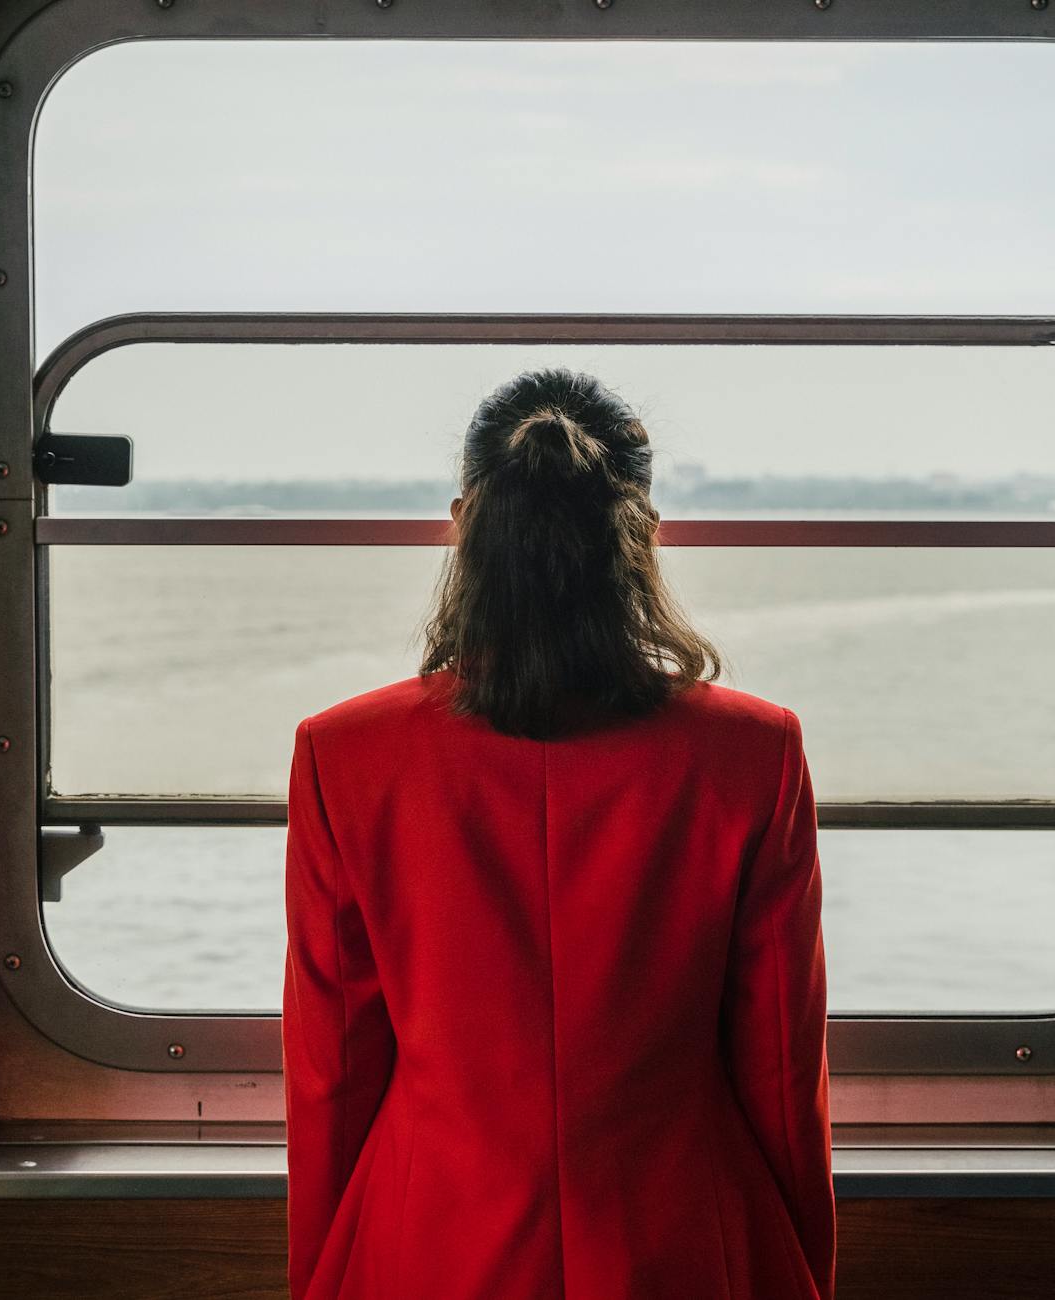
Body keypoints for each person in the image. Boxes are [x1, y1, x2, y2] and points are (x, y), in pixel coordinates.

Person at [282, 368, 833, 1299]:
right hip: (686, 1235)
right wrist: (797, 1271)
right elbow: (782, 1066)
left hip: (421, 1241)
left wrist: (326, 1275)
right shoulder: (754, 753)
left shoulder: (343, 755)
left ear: (464, 523)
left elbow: (332, 1075)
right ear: (646, 533)